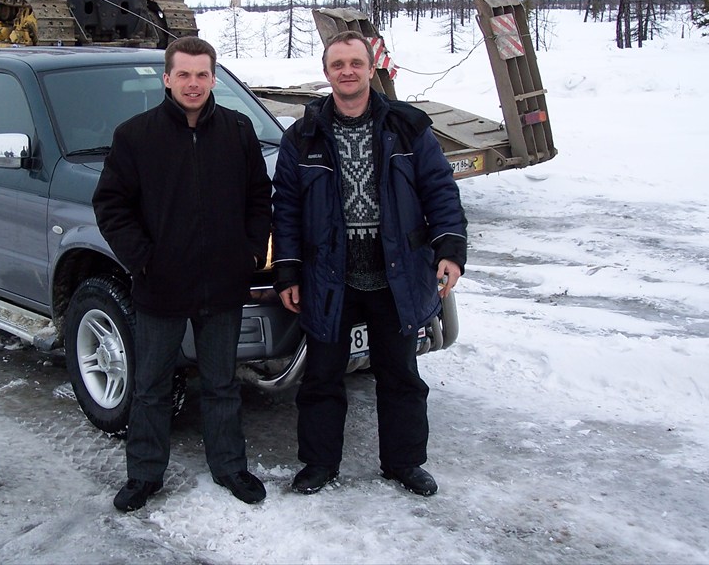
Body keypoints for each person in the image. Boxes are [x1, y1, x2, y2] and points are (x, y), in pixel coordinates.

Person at [271, 30, 467, 497]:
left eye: (355, 63)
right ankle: (319, 464)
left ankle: (404, 463)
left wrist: (450, 250)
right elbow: (287, 209)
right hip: (329, 278)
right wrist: (288, 270)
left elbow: (440, 190)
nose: (347, 72)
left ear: (370, 68)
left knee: (400, 375)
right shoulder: (302, 136)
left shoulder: (407, 127)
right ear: (326, 72)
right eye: (338, 64)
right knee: (322, 377)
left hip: (395, 276)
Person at [93, 36, 272, 512]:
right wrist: (142, 258)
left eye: (202, 75)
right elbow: (111, 205)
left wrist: (251, 251)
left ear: (213, 79)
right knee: (151, 387)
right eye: (184, 74)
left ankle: (230, 466)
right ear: (167, 78)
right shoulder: (136, 136)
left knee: (221, 384)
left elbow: (260, 197)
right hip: (161, 285)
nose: (194, 84)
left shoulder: (237, 131)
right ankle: (144, 475)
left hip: (224, 283)